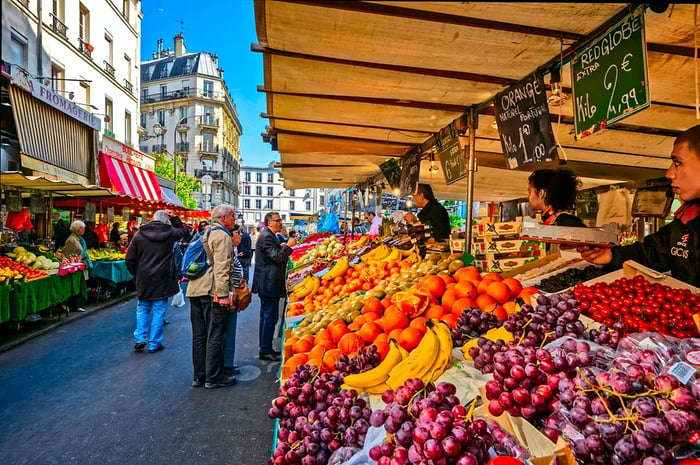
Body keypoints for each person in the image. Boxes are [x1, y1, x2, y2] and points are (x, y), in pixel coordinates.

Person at [578, 125, 700, 287]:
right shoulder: (685, 219)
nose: (669, 173)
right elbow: (651, 252)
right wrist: (610, 255)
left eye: (677, 163)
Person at [186, 204, 237, 389]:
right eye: (232, 216)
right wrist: (223, 294)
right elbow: (222, 267)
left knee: (199, 336)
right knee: (214, 334)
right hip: (211, 290)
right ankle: (213, 377)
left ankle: (199, 376)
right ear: (223, 218)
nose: (234, 219)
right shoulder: (222, 236)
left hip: (194, 289)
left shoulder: (205, 233)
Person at [125, 210, 187, 354]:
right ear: (166, 221)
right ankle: (154, 343)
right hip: (163, 277)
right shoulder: (170, 233)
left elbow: (130, 258)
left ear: (152, 219)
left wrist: (136, 272)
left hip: (144, 277)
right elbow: (183, 231)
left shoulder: (139, 234)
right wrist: (175, 218)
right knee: (159, 310)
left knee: (143, 308)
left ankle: (140, 338)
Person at [252, 212, 297, 361]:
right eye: (277, 220)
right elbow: (277, 257)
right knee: (269, 317)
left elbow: (273, 253)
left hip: (267, 282)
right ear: (270, 222)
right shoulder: (267, 237)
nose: (281, 223)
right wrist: (288, 247)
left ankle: (265, 347)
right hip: (269, 283)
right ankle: (266, 350)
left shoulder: (268, 236)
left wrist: (282, 246)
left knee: (266, 317)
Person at [223, 223, 245, 377]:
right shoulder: (227, 250)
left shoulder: (232, 250)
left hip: (232, 296)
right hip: (228, 297)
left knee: (229, 332)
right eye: (238, 232)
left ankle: (227, 363)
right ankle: (225, 365)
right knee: (226, 331)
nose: (241, 235)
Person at [61, 220, 93, 312]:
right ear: (75, 229)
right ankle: (73, 304)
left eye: (83, 228)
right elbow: (67, 253)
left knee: (79, 285)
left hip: (80, 266)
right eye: (81, 228)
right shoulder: (71, 240)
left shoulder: (79, 239)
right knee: (75, 286)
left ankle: (76, 304)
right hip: (74, 267)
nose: (83, 230)